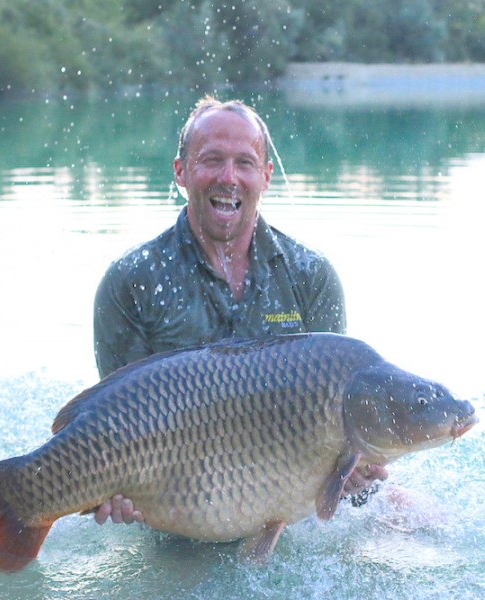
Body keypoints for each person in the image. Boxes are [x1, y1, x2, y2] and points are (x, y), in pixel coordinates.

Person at [91, 96, 387, 526]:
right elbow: (116, 420)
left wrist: (358, 479)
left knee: (408, 516)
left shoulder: (310, 276)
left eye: (245, 163)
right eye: (211, 160)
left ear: (265, 176)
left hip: (282, 506)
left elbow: (336, 433)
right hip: (172, 506)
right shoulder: (131, 280)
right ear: (181, 171)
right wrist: (110, 490)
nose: (228, 178)